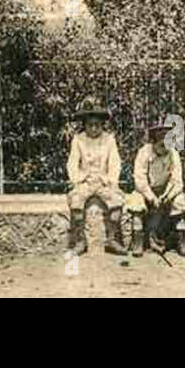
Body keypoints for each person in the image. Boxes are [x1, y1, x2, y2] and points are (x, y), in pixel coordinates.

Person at [66, 97, 127, 255]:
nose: (93, 128)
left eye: (97, 125)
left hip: (103, 180)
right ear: (84, 125)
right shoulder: (78, 140)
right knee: (76, 202)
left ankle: (112, 239)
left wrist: (112, 181)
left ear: (102, 125)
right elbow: (72, 163)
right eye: (90, 125)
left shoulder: (109, 139)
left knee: (117, 201)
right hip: (85, 180)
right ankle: (80, 241)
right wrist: (76, 180)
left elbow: (115, 163)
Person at [126, 121, 185, 256]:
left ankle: (182, 241)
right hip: (146, 190)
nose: (164, 148)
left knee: (179, 201)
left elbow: (177, 180)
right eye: (161, 144)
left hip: (166, 190)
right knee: (136, 202)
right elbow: (140, 179)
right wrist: (151, 197)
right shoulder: (144, 152)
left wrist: (168, 195)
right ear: (154, 142)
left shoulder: (173, 154)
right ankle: (138, 241)